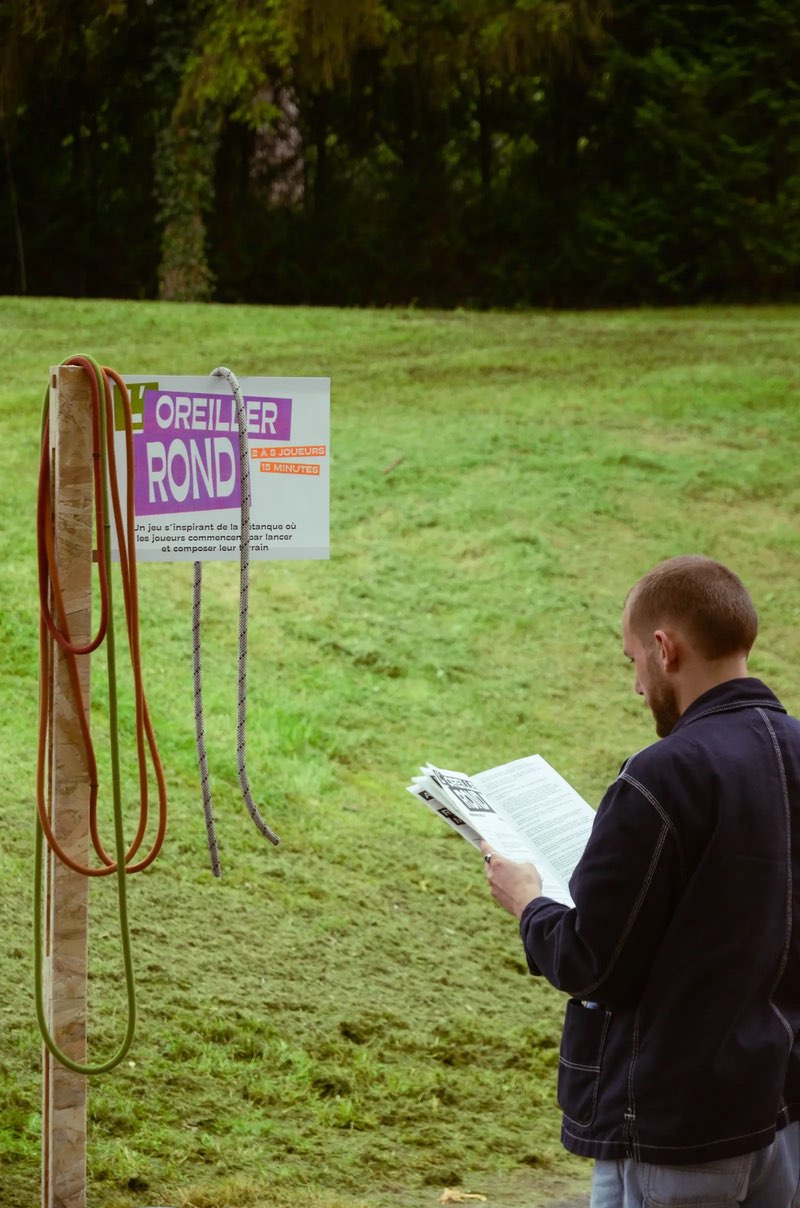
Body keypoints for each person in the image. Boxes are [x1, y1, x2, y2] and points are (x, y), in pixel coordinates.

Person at [482, 555, 800, 1208]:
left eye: (633, 660)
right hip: (783, 1115)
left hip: (679, 1131)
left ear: (665, 648)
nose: (635, 684)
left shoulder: (664, 775)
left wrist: (529, 902)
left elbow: (593, 961)